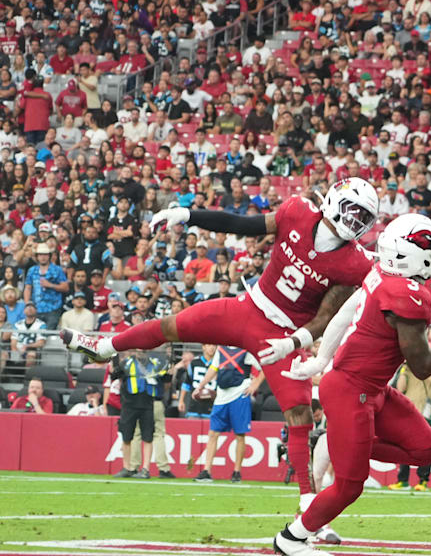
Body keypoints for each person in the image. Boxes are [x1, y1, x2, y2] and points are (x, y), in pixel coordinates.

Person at [63, 178, 380, 516]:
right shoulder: (297, 212)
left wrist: (292, 344)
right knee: (173, 325)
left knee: (299, 414)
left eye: (364, 217)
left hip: (283, 336)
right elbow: (237, 223)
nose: (356, 221)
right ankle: (105, 347)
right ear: (333, 200)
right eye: (353, 210)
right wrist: (185, 214)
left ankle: (307, 502)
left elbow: (326, 317)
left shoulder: (354, 264)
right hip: (247, 309)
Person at [269, 214, 431, 556]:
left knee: (426, 450)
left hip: (374, 389)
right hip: (351, 391)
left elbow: (345, 312)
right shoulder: (407, 293)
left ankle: (342, 444)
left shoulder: (382, 272)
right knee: (350, 486)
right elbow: (423, 366)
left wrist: (323, 359)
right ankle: (291, 539)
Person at [192, 345, 264, 483]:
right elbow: (213, 369)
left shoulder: (246, 349)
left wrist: (255, 384)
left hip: (240, 393)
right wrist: (200, 386)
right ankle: (207, 470)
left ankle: (237, 472)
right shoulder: (221, 349)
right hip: (222, 394)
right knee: (213, 432)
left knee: (240, 434)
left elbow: (264, 368)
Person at [389, 348, 431, 492]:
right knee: (404, 447)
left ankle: (423, 481)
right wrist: (404, 370)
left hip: (428, 414)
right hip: (410, 413)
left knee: (428, 448)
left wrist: (423, 368)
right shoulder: (406, 370)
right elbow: (400, 388)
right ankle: (403, 480)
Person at [112, 351, 170, 479]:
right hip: (129, 403)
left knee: (147, 437)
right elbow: (115, 375)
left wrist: (169, 368)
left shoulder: (155, 364)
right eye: (137, 350)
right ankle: (127, 467)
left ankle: (145, 468)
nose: (140, 353)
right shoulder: (126, 364)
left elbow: (166, 378)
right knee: (127, 436)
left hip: (147, 403)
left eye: (142, 350)